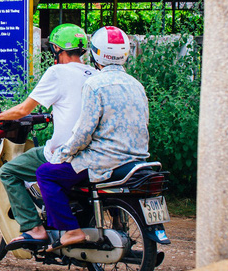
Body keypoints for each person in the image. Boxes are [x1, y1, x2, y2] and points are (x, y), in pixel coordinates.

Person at [35, 25, 150, 250]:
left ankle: (71, 230)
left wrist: (63, 153)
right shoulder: (136, 85)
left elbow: (83, 132)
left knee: (46, 173)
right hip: (136, 160)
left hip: (103, 161)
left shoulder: (94, 84)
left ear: (96, 52)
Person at [0, 23, 94, 250]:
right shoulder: (95, 73)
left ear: (57, 49)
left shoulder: (57, 72)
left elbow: (23, 110)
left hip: (65, 151)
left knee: (9, 171)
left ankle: (33, 228)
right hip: (93, 153)